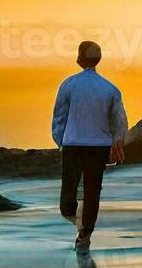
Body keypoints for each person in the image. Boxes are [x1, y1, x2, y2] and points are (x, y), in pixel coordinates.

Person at [51, 40, 129, 250]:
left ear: (80, 58)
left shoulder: (68, 84)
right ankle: (84, 231)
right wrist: (117, 144)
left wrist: (61, 141)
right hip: (98, 148)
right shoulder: (110, 89)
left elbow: (59, 117)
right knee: (92, 192)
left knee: (68, 195)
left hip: (73, 146)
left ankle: (81, 229)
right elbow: (119, 122)